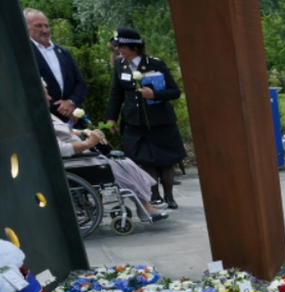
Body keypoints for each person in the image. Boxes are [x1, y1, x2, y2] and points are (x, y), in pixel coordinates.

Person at [48, 82, 167, 222]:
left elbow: (64, 130)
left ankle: (144, 204)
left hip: (80, 159)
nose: (50, 97)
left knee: (124, 162)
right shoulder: (39, 119)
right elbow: (60, 148)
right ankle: (144, 206)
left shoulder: (46, 114)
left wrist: (83, 131)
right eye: (46, 93)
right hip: (73, 162)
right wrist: (88, 143)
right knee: (121, 165)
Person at [105, 27, 186, 210]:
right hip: (135, 122)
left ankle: (169, 196)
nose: (119, 50)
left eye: (122, 47)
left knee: (164, 160)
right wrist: (111, 118)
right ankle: (154, 196)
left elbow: (174, 92)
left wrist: (154, 94)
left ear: (134, 47)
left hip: (160, 121)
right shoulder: (120, 64)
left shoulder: (155, 64)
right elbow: (116, 93)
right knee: (143, 159)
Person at [25, 8, 87, 124]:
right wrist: (62, 109)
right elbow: (30, 89)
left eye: (46, 26)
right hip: (48, 121)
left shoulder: (63, 52)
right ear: (25, 27)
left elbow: (80, 83)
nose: (44, 30)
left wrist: (71, 102)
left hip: (74, 118)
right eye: (38, 26)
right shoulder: (25, 54)